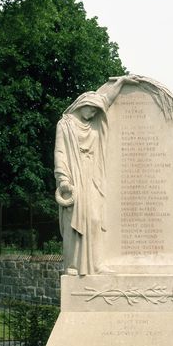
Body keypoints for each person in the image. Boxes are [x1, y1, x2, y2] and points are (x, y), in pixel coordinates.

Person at [54, 75, 138, 275]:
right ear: (82, 104)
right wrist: (63, 179)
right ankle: (73, 265)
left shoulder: (93, 126)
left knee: (94, 219)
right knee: (74, 222)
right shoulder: (65, 125)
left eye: (95, 111)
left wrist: (120, 83)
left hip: (92, 176)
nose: (92, 114)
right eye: (91, 109)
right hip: (74, 177)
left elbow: (106, 101)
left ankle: (97, 265)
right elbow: (60, 152)